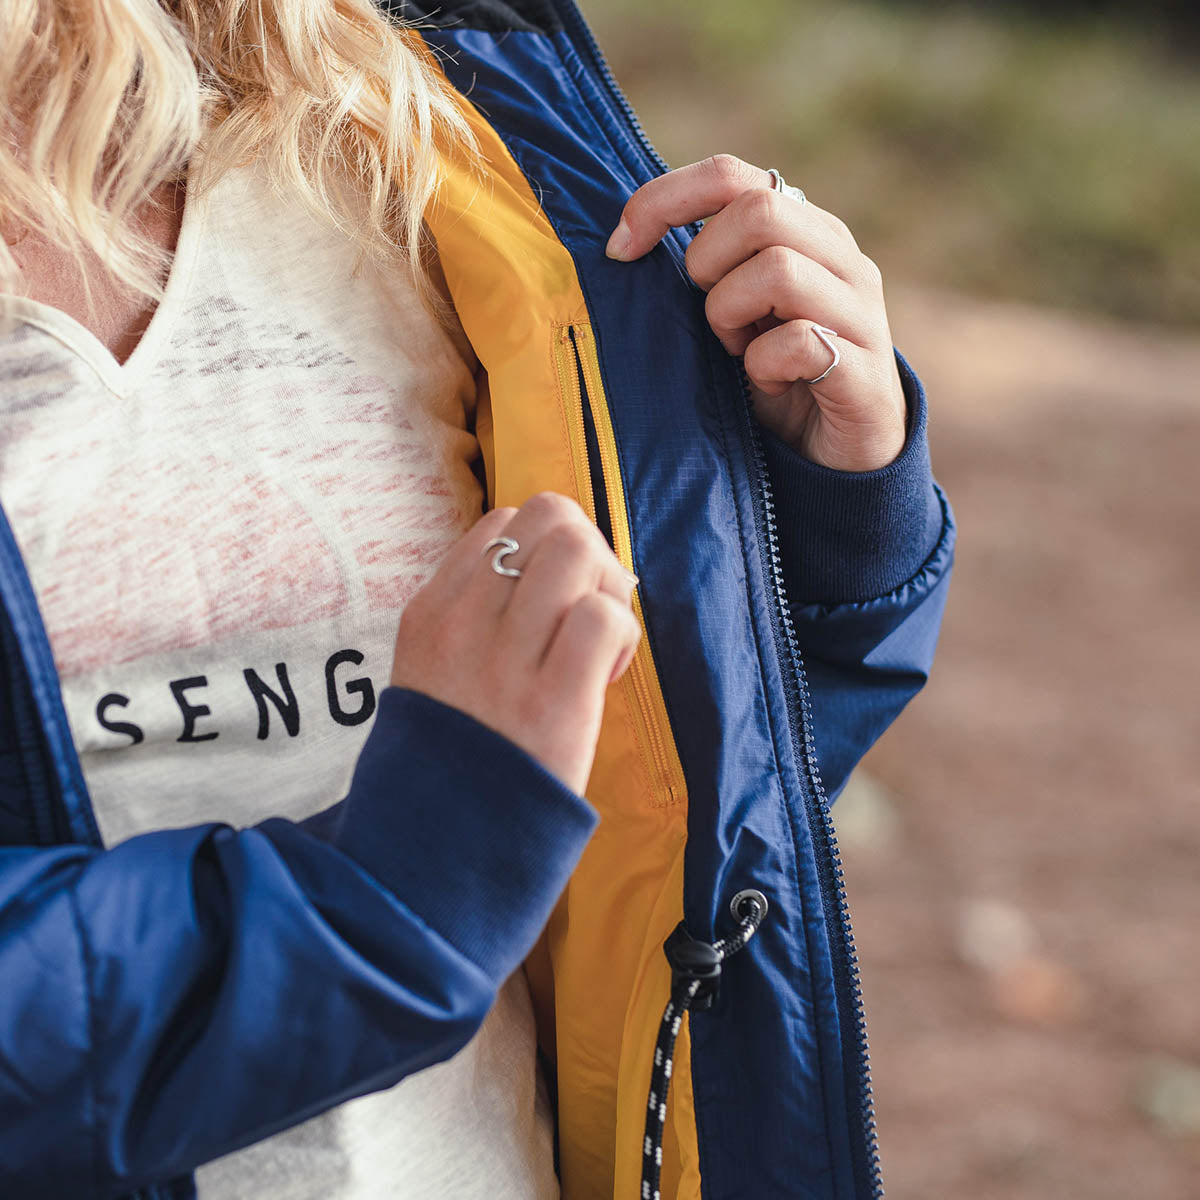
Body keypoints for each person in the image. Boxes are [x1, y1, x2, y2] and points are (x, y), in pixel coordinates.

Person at [0, 0, 954, 1197]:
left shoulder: (414, 124)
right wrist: (387, 904)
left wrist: (823, 523)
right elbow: (453, 848)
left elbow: (661, 809)